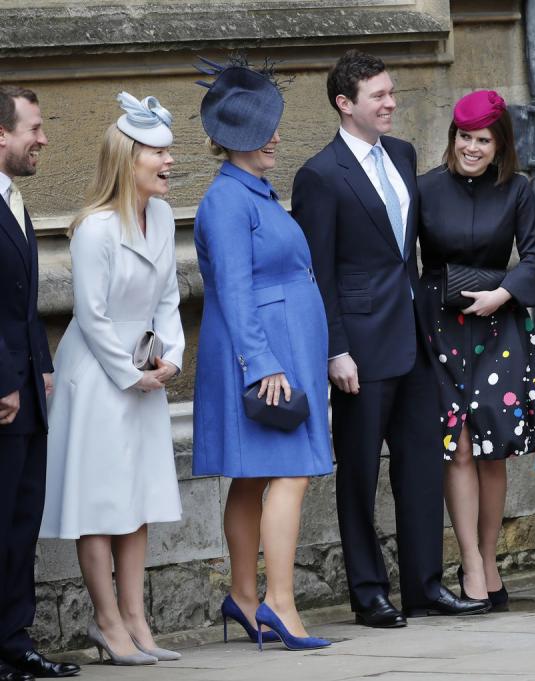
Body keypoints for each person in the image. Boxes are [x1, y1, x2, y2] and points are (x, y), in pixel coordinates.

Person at [292, 50, 487, 627]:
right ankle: (368, 591)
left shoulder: (401, 155)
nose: (391, 103)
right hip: (359, 346)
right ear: (344, 104)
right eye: (378, 95)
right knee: (359, 472)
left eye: (391, 92)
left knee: (422, 464)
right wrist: (335, 348)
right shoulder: (320, 175)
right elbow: (318, 274)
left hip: (414, 338)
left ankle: (424, 585)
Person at [192, 58, 333, 650]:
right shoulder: (227, 200)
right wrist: (265, 362)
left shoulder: (256, 192)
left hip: (282, 348)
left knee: (253, 479)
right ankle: (277, 601)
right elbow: (233, 287)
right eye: (265, 130)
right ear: (239, 141)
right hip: (264, 355)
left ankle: (245, 598)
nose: (276, 137)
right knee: (293, 471)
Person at [39, 93, 184, 666]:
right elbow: (91, 315)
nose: (170, 160)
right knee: (100, 501)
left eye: (170, 150)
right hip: (98, 377)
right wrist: (131, 375)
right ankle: (106, 622)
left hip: (143, 371)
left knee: (138, 497)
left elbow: (169, 297)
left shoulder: (165, 217)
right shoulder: (95, 228)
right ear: (129, 158)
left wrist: (170, 356)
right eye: (158, 151)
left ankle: (137, 620)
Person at [418, 90, 535, 609]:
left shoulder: (516, 190)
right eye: (465, 137)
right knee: (460, 446)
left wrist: (503, 293)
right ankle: (469, 559)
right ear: (453, 137)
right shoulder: (425, 187)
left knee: (494, 450)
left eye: (483, 140)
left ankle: (490, 557)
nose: (472, 148)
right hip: (439, 328)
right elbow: (403, 257)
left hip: (499, 329)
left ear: (500, 146)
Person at [0, 85, 80, 681]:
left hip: (28, 390)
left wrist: (42, 366)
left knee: (22, 520)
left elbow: (23, 304)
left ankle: (14, 640)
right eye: (34, 127)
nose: (44, 138)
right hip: (2, 393)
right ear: (0, 134)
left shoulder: (14, 200)